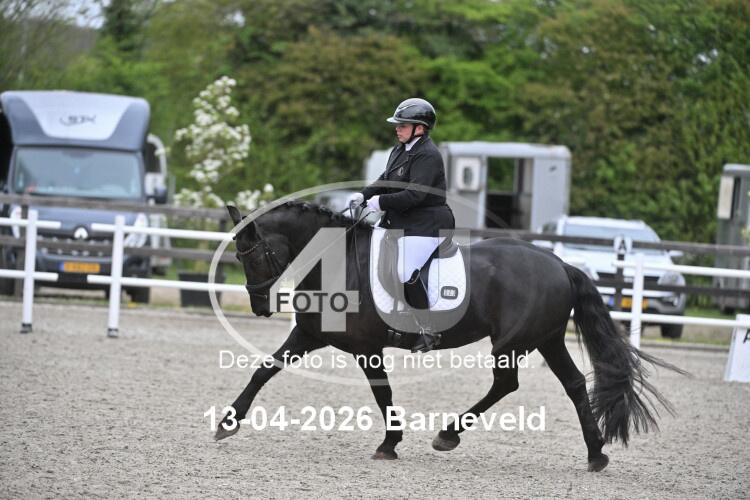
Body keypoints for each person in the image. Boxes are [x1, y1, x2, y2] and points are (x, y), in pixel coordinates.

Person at [347, 98, 455, 352]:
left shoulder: (428, 155)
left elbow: (414, 195)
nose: (397, 128)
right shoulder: (400, 150)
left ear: (420, 128)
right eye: (398, 124)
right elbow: (385, 179)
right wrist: (364, 194)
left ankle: (427, 329)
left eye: (403, 125)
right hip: (402, 222)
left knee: (405, 270)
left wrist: (380, 202)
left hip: (427, 225)